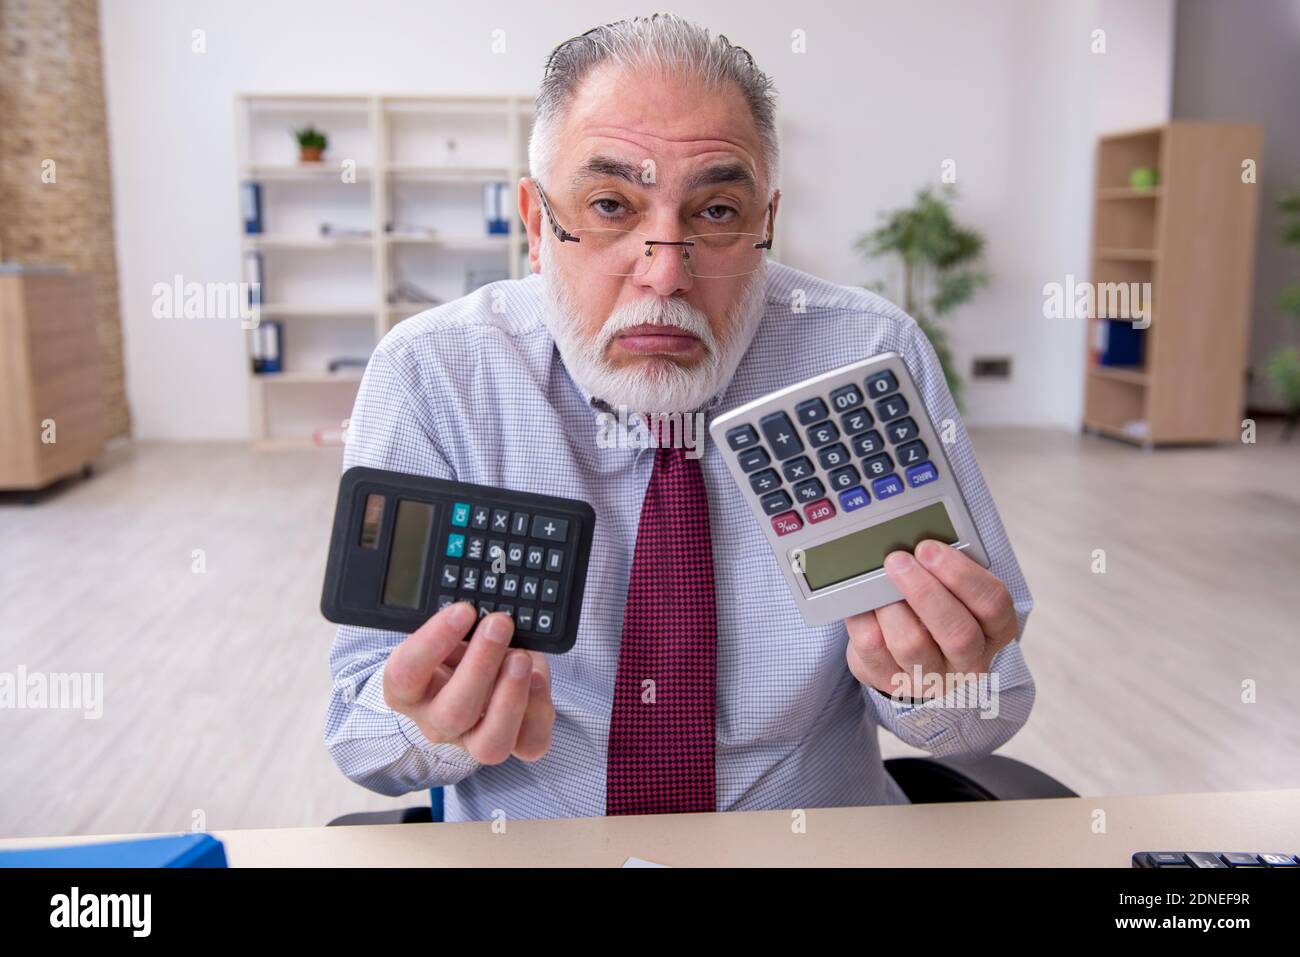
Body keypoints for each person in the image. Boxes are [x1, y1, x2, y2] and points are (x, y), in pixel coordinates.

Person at [326, 14, 1034, 821]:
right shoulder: (433, 374)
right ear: (535, 224)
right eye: (608, 204)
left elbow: (991, 707)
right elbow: (359, 732)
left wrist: (937, 685)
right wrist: (435, 728)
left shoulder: (866, 355)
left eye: (717, 212)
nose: (664, 273)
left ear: (766, 219)